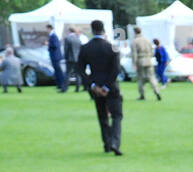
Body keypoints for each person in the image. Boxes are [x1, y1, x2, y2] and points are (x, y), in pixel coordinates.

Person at [79, 20, 123, 155]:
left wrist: (93, 85)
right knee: (116, 116)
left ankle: (107, 143)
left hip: (96, 86)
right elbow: (116, 69)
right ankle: (115, 141)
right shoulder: (112, 47)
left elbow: (80, 69)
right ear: (103, 30)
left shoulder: (86, 48)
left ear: (92, 30)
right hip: (111, 86)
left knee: (102, 117)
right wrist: (106, 86)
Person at [131, 26, 160, 101]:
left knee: (141, 79)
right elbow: (151, 51)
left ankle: (142, 95)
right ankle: (157, 92)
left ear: (134, 32)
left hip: (140, 61)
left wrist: (134, 63)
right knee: (151, 78)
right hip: (148, 60)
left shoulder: (135, 41)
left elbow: (134, 53)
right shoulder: (147, 40)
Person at [48, 26, 66, 91]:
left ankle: (62, 84)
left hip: (55, 56)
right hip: (54, 56)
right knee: (57, 71)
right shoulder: (53, 35)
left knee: (58, 71)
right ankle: (59, 84)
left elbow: (55, 45)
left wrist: (49, 44)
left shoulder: (53, 36)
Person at [65, 27, 82, 92]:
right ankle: (77, 88)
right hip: (77, 59)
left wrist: (66, 57)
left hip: (70, 59)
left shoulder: (68, 39)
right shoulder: (78, 39)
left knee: (67, 74)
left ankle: (65, 88)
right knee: (78, 74)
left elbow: (66, 50)